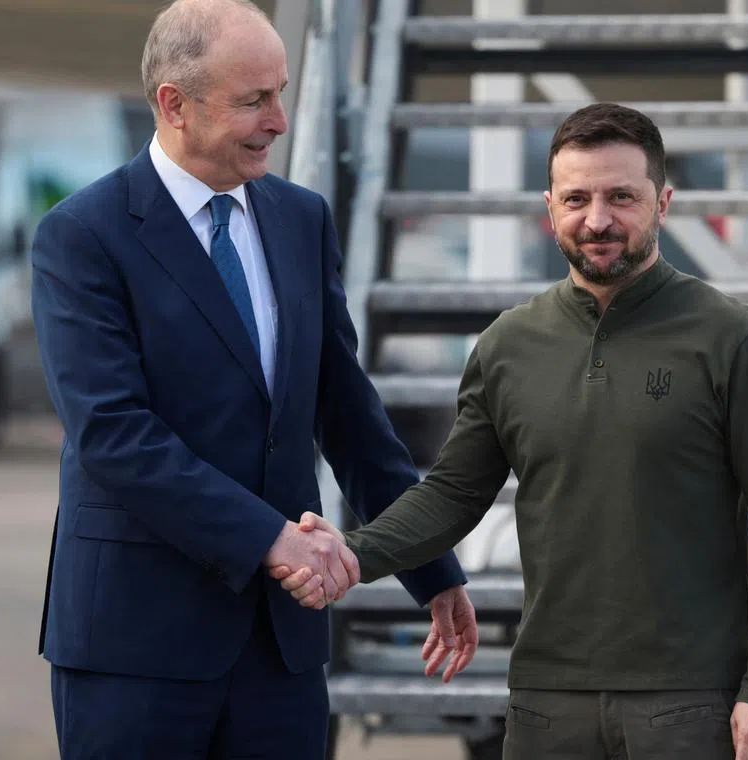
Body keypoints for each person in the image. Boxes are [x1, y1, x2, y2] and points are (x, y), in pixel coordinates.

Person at [276, 103, 748, 760]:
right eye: (577, 198)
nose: (597, 220)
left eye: (622, 197)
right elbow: (452, 493)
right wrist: (354, 556)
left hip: (689, 700)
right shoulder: (509, 345)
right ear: (549, 206)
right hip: (546, 701)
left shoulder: (734, 340)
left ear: (663, 202)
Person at [29, 0, 476, 756]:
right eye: (253, 100)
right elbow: (115, 433)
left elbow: (349, 414)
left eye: (282, 93)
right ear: (174, 104)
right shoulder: (81, 236)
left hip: (280, 652)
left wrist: (430, 568)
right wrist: (271, 538)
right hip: (136, 648)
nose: (279, 120)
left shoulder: (301, 219)